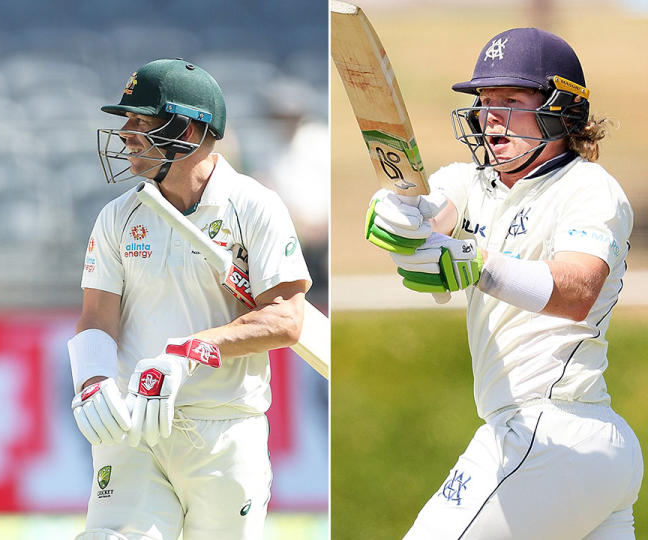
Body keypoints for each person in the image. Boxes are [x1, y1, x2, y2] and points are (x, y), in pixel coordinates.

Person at [364, 28, 643, 538]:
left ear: (561, 110)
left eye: (511, 100)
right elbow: (431, 213)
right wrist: (400, 214)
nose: (491, 116)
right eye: (485, 101)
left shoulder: (589, 188)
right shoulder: (471, 183)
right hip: (577, 451)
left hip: (553, 431)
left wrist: (475, 263)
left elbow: (577, 291)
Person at [69, 58, 312, 540]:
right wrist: (94, 381)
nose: (125, 133)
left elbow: (285, 319)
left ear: (185, 126)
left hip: (224, 428)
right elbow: (97, 317)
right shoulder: (118, 216)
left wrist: (186, 354)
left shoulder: (254, 205)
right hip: (136, 425)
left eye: (140, 120)